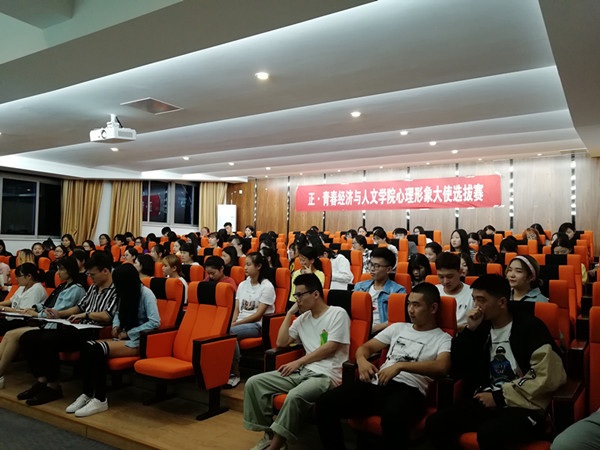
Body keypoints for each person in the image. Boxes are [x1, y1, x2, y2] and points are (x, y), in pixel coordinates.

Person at [426, 274, 567, 450]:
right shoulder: (481, 327)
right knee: (436, 423)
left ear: (501, 302)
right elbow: (457, 365)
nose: (476, 306)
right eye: (474, 300)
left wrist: (499, 398)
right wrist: (470, 330)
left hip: (525, 405)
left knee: (489, 433)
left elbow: (546, 375)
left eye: (481, 300)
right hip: (487, 399)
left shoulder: (530, 327)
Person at [316, 283, 452, 449]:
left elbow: (442, 366)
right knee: (325, 403)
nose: (410, 310)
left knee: (392, 418)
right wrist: (362, 361)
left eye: (416, 305)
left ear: (433, 308)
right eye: (409, 304)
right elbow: (365, 348)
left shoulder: (442, 338)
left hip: (410, 391)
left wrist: (400, 366)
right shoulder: (398, 327)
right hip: (378, 383)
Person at [243, 273, 351, 450]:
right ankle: (269, 435)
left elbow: (331, 347)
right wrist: (289, 314)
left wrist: (299, 362)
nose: (297, 300)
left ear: (315, 294)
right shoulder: (302, 319)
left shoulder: (338, 313)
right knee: (254, 383)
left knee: (294, 396)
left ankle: (275, 446)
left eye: (300, 295)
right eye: (295, 296)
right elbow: (281, 342)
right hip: (303, 372)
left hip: (326, 375)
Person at [65, 263, 159, 417]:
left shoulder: (146, 294)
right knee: (87, 346)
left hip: (138, 340)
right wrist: (116, 326)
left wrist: (129, 333)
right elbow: (117, 314)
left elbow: (155, 322)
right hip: (122, 337)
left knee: (96, 349)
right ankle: (87, 393)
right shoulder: (125, 292)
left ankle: (100, 399)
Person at [11, 256, 92, 401]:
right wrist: (35, 308)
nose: (58, 273)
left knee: (46, 340)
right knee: (26, 338)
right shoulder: (62, 286)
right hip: (50, 325)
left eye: (61, 269)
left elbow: (57, 311)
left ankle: (53, 386)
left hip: (65, 328)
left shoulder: (76, 288)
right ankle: (41, 380)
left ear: (70, 270)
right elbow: (48, 305)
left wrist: (37, 314)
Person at [226, 253, 275, 388]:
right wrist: (231, 322)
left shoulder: (267, 286)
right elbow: (236, 309)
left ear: (258, 266)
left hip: (257, 325)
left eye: (248, 264)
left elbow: (258, 315)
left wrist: (234, 324)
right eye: (244, 264)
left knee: (229, 333)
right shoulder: (242, 284)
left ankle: (235, 372)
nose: (245, 268)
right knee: (222, 331)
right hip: (240, 323)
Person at [354, 247, 406, 332]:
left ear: (388, 269)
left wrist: (371, 330)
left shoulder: (398, 291)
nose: (372, 269)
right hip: (359, 329)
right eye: (371, 264)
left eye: (377, 266)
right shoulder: (359, 286)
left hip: (383, 332)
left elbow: (397, 320)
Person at [435, 252, 473, 330]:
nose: (445, 281)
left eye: (450, 276)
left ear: (460, 272)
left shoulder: (473, 294)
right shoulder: (434, 292)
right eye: (441, 277)